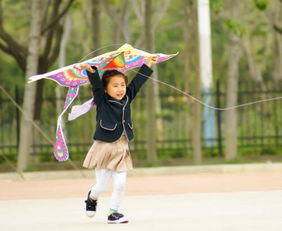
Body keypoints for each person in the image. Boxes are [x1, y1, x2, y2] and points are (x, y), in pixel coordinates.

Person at [78, 56, 156, 224]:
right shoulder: (102, 100)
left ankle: (113, 213)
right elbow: (96, 86)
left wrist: (148, 64)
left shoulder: (128, 96)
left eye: (122, 85)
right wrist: (91, 71)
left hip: (121, 147)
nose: (120, 89)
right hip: (103, 147)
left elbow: (138, 82)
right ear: (106, 89)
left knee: (120, 183)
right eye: (115, 86)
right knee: (103, 186)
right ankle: (92, 197)